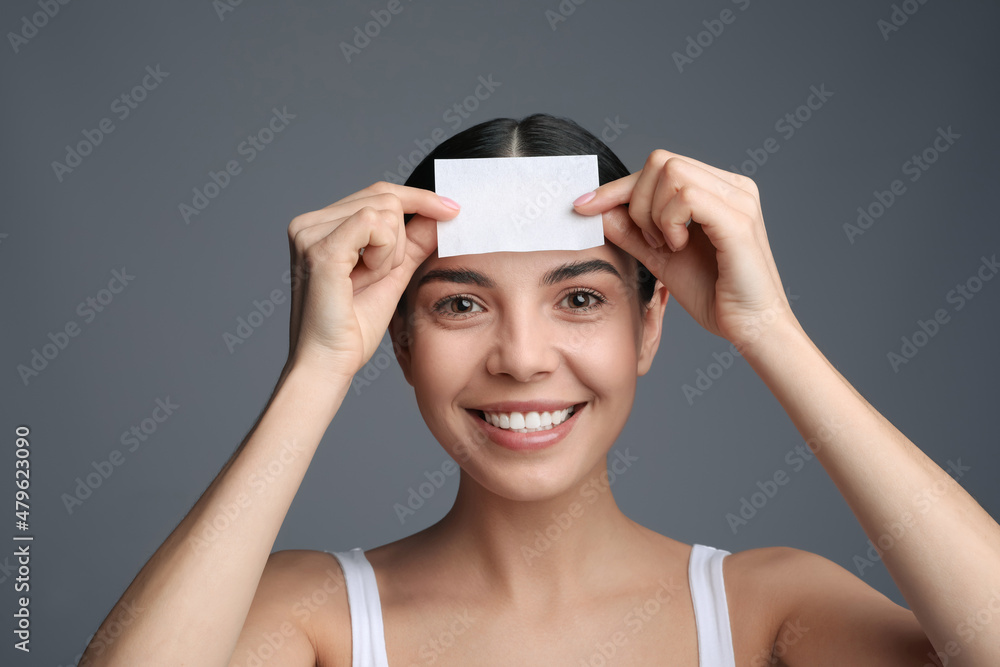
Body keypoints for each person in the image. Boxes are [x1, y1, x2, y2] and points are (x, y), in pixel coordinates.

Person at [81, 113, 1000, 667]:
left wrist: (772, 334)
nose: (522, 357)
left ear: (650, 325)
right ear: (398, 343)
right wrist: (315, 369)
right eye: (461, 304)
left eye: (581, 298)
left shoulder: (769, 606)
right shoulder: (314, 615)